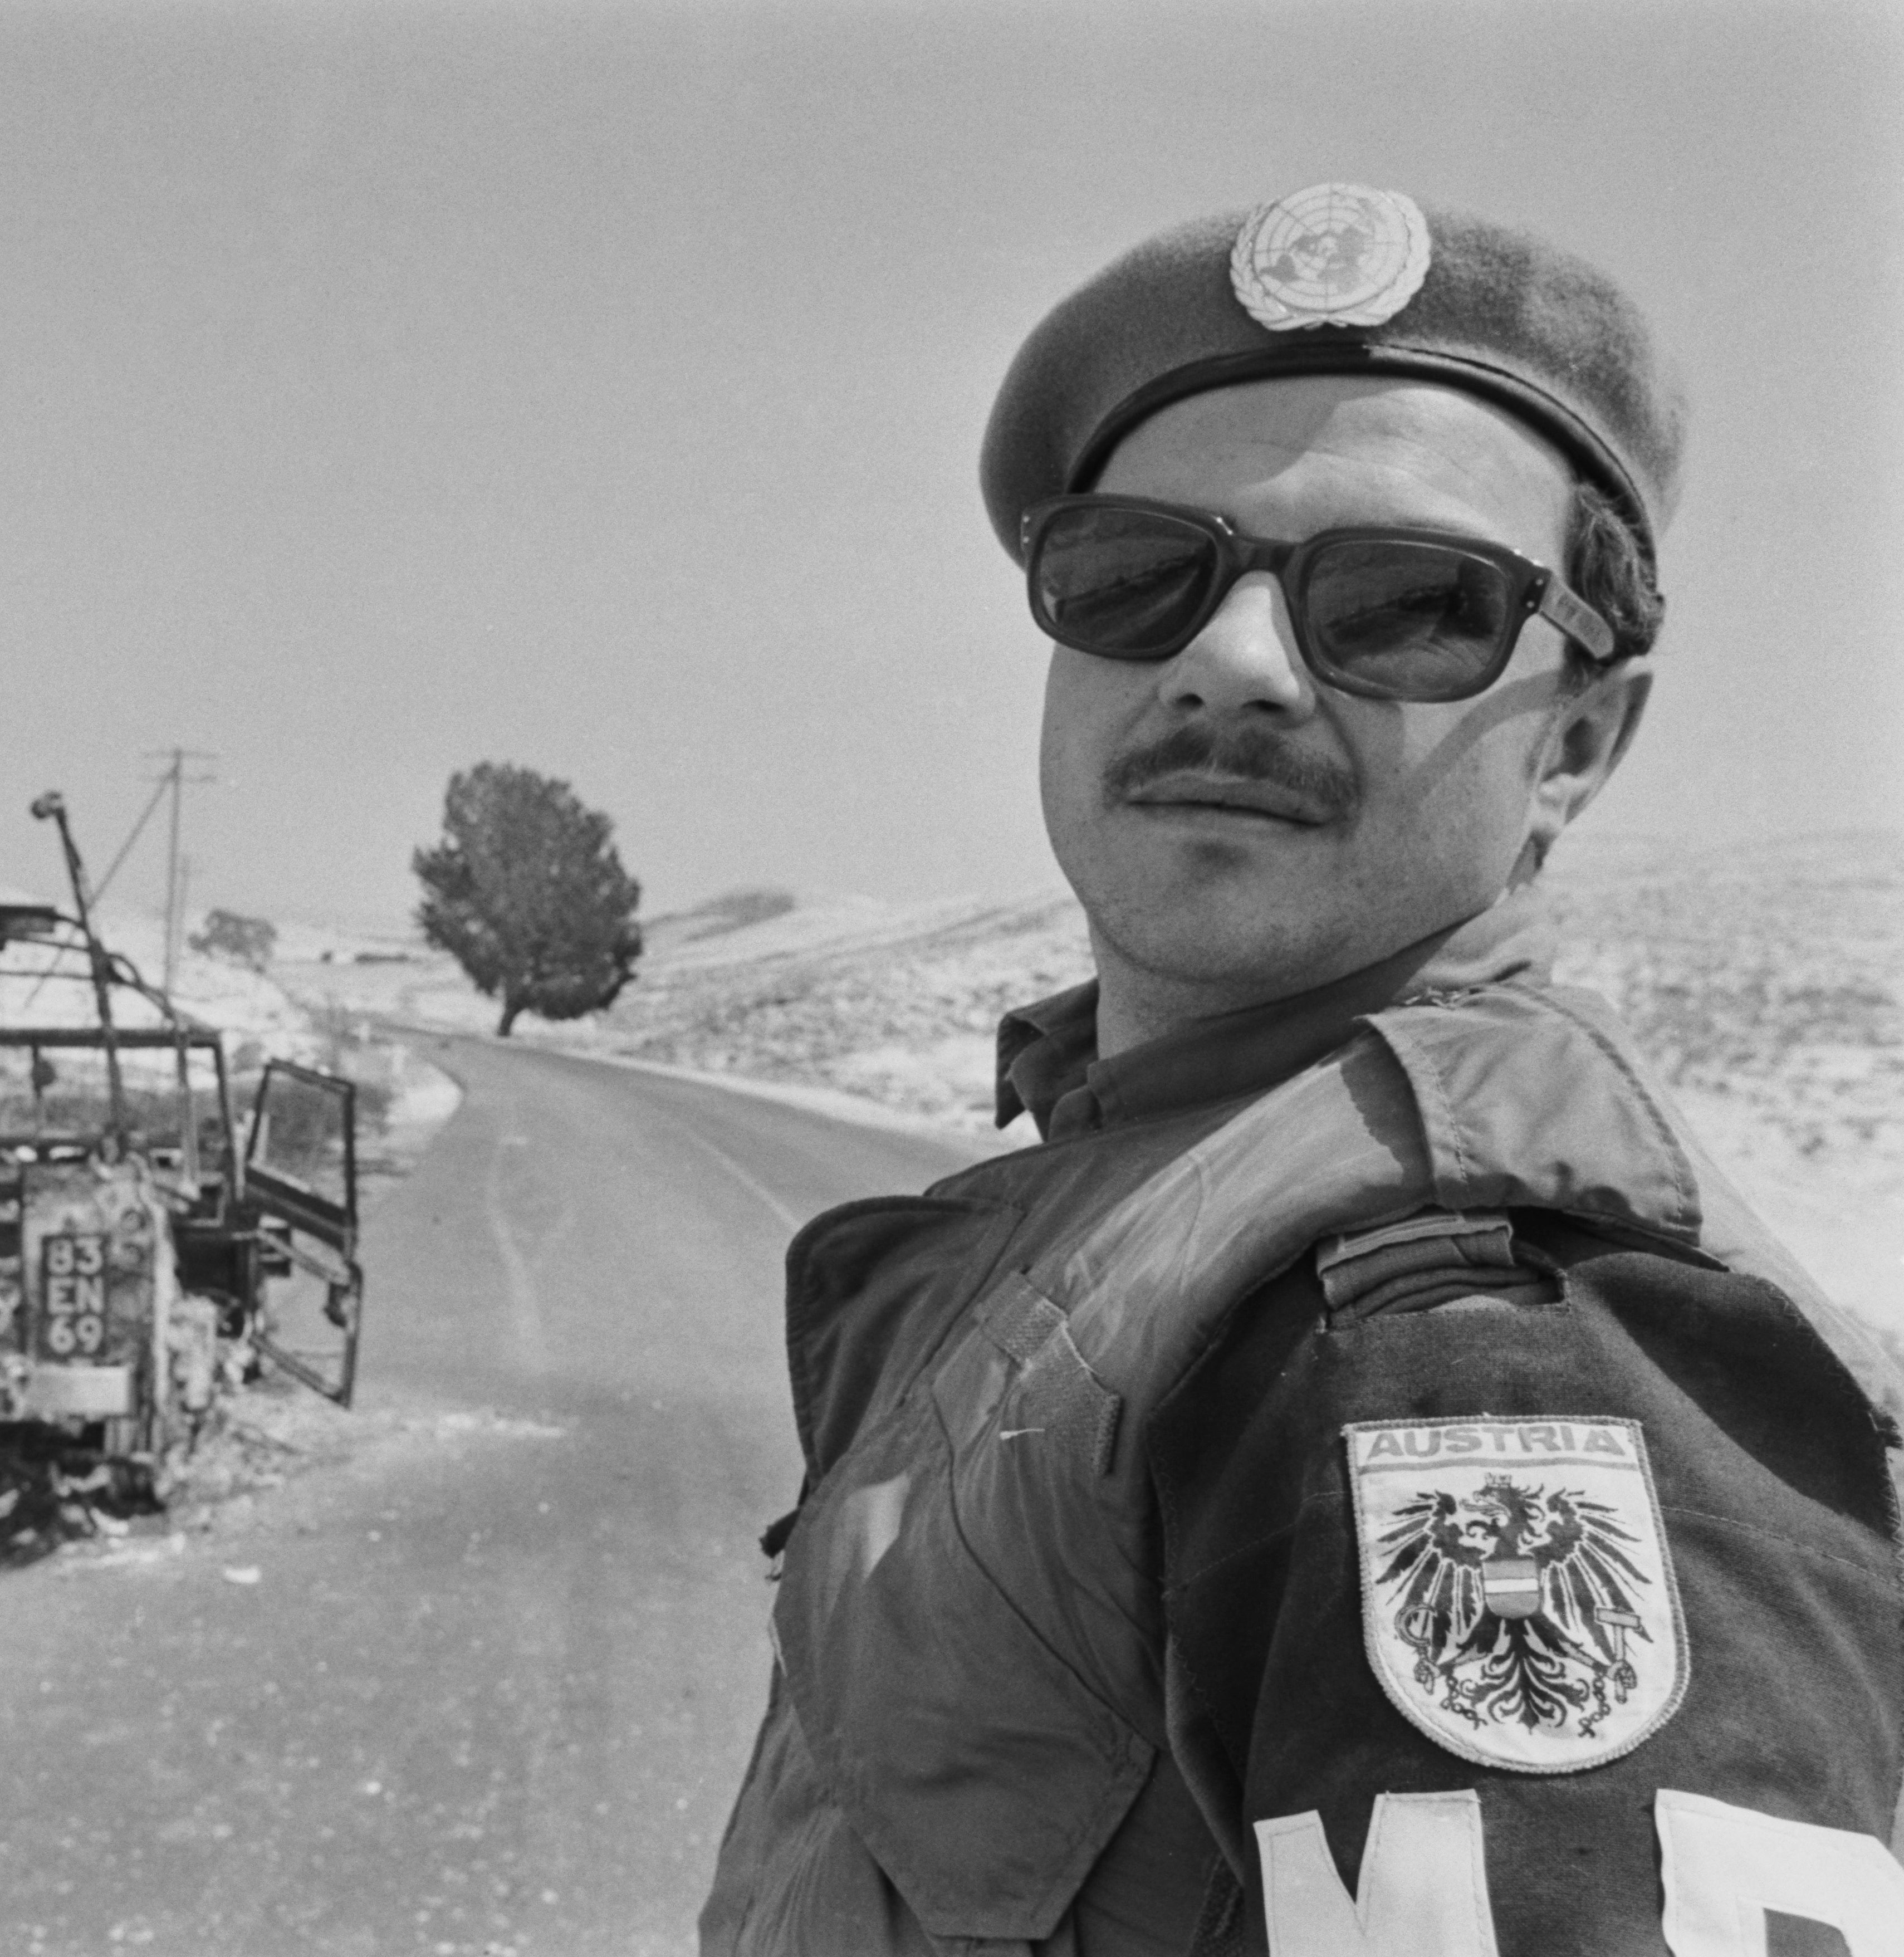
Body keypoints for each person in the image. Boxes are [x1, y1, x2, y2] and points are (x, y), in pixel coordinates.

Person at [699, 184, 1904, 1954]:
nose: (1229, 665)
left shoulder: (1482, 1329)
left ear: (1573, 743)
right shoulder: (1160, 1184)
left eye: (1405, 602)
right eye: (1136, 576)